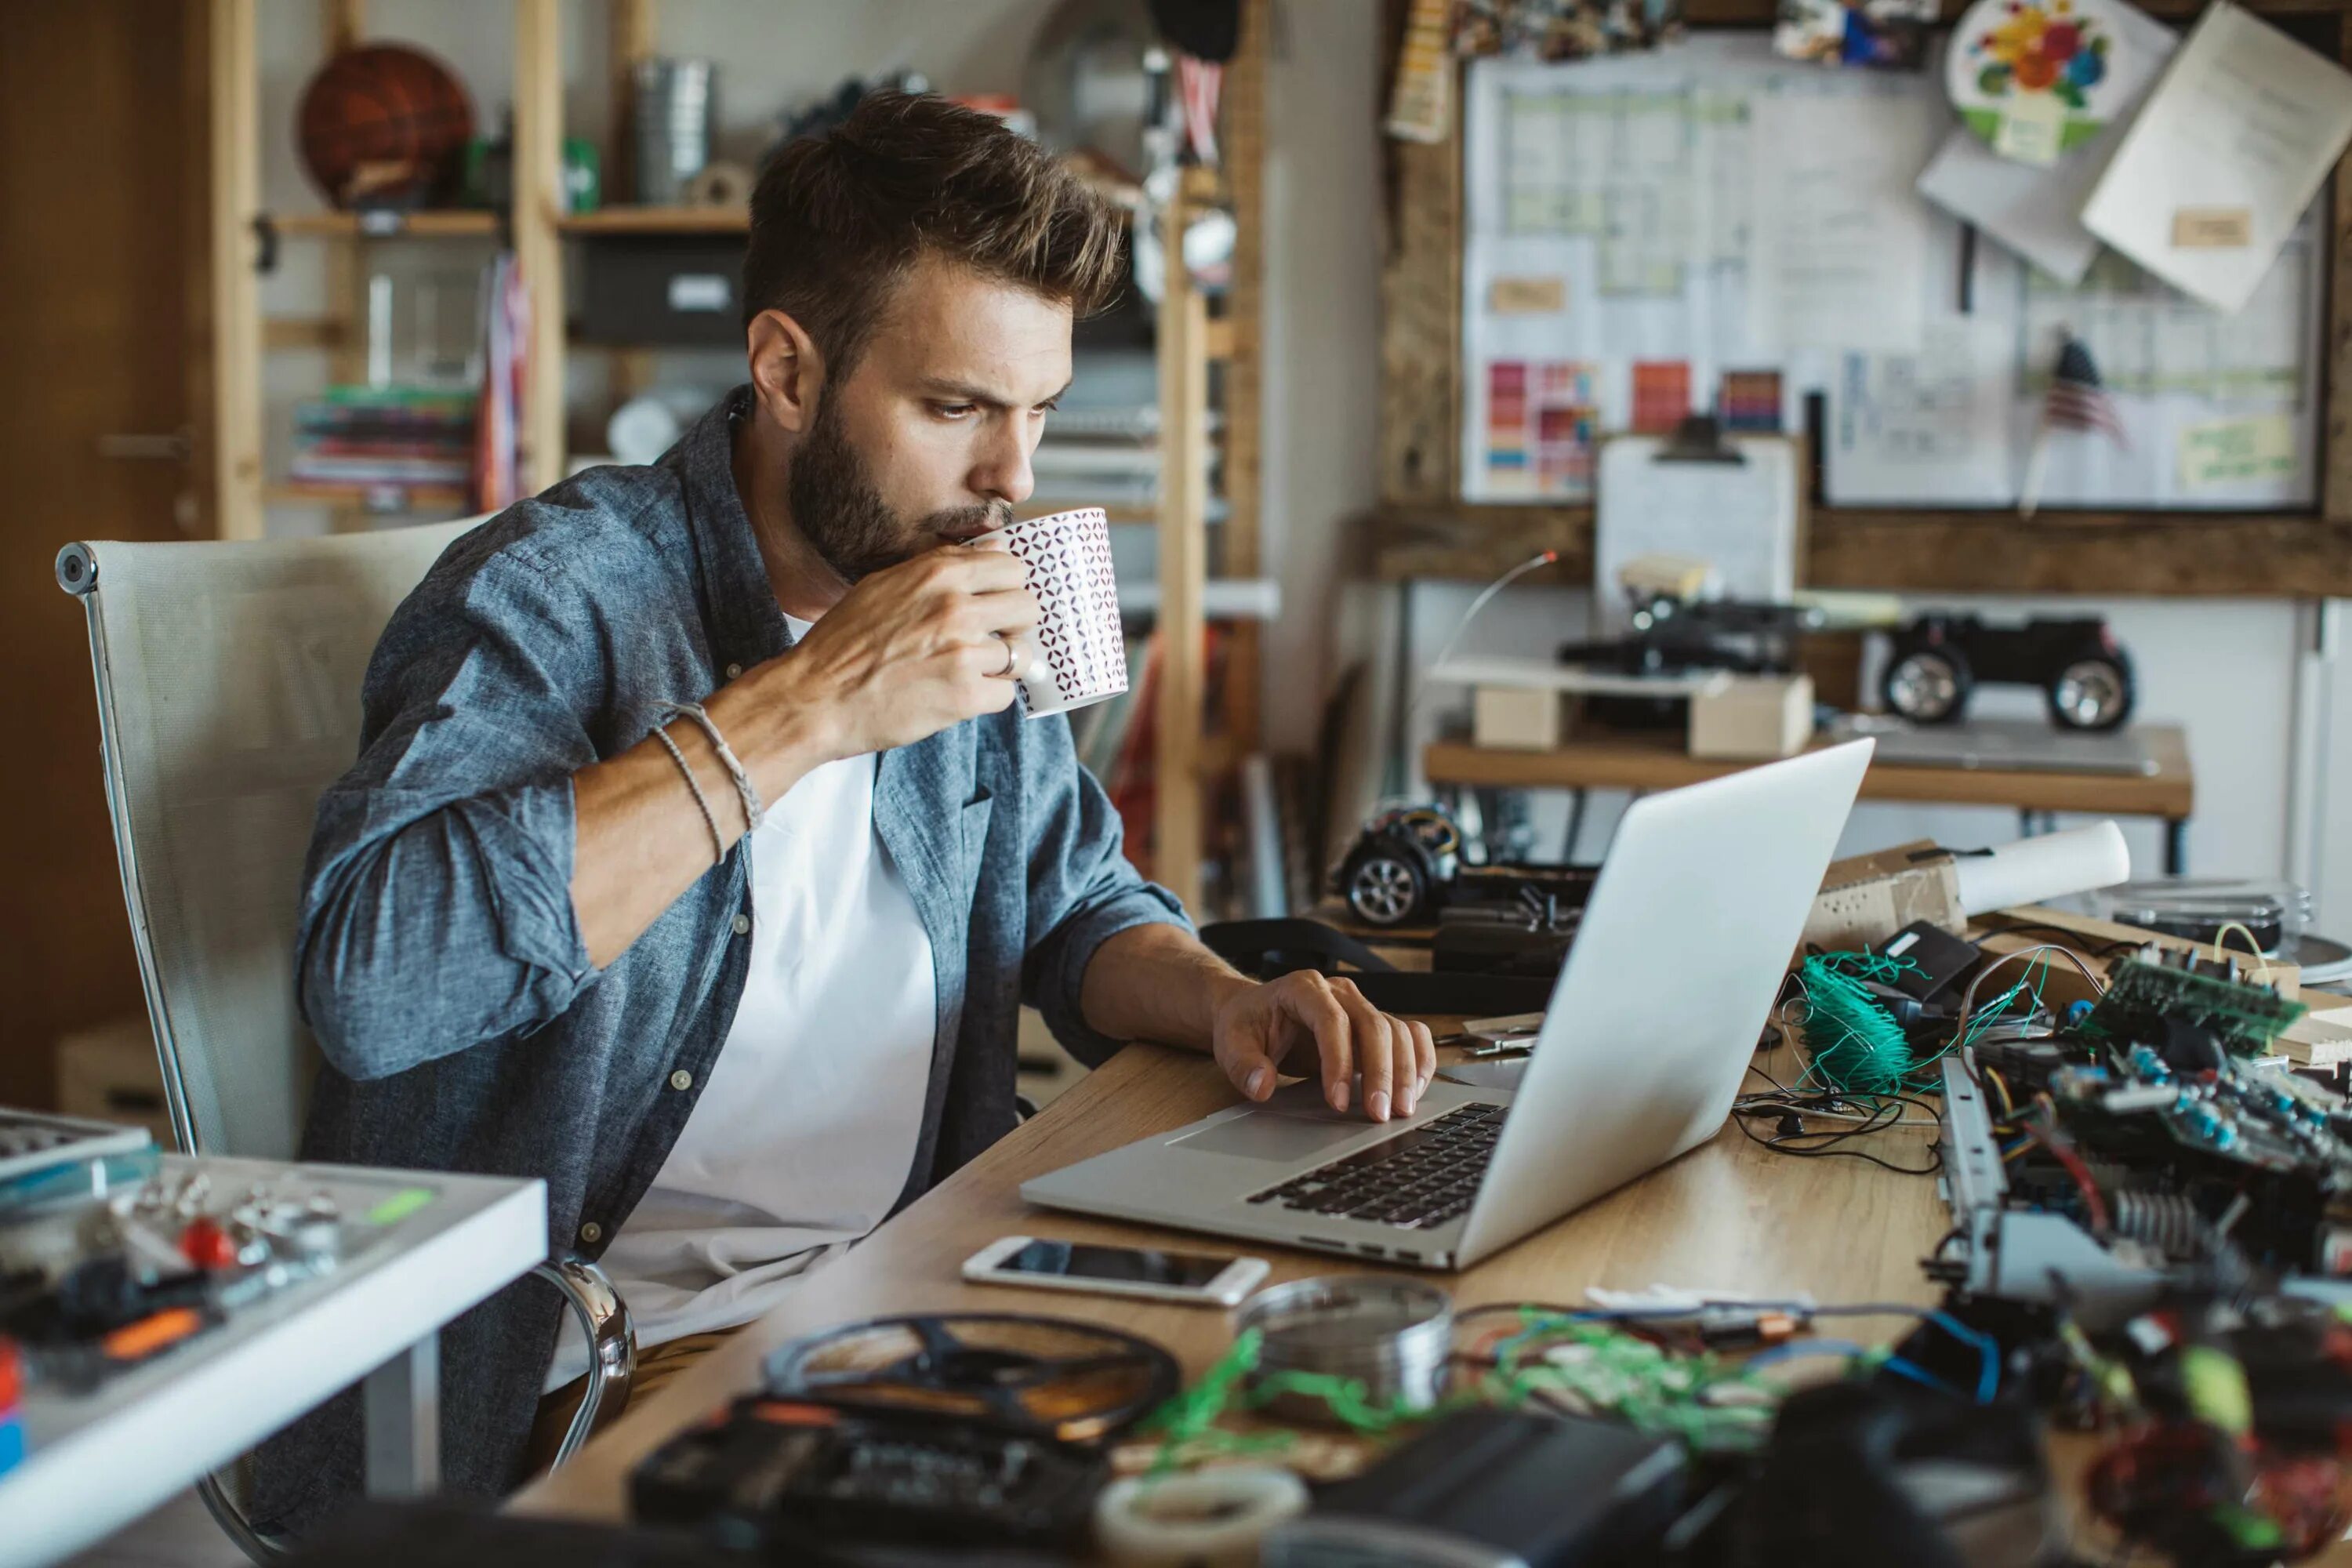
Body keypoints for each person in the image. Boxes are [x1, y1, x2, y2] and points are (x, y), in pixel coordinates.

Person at [254, 91, 1432, 1529]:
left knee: (1343, 1445)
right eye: (956, 411)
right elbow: (377, 985)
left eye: (1040, 412)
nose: (1015, 480)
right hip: (588, 1366)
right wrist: (811, 705)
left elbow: (1071, 904)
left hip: (922, 1287)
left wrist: (1219, 997)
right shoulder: (559, 590)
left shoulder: (964, 567)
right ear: (788, 370)